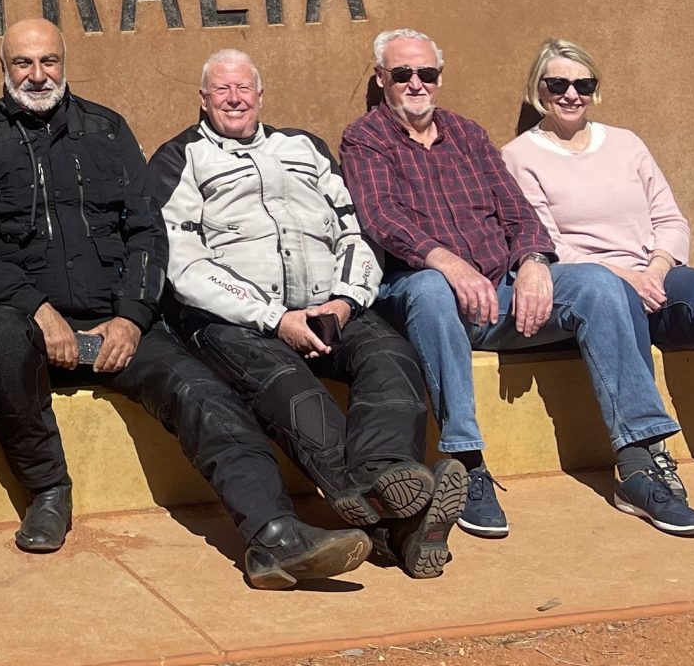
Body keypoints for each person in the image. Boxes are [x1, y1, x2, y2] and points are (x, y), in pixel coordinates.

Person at [0, 18, 370, 590]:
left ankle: (274, 535)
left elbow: (147, 233)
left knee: (203, 394)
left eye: (48, 61)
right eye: (24, 63)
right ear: (4, 68)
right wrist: (37, 309)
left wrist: (132, 316)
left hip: (116, 318)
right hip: (26, 320)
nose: (37, 75)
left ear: (64, 63)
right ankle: (47, 492)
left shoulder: (107, 129)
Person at [342, 28, 694, 543]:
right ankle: (467, 464)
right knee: (427, 287)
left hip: (503, 289)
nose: (417, 83)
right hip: (426, 295)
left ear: (440, 77)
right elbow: (381, 217)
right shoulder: (366, 138)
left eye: (427, 73)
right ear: (382, 79)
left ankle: (638, 463)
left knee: (597, 286)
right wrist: (451, 265)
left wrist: (535, 263)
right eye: (403, 74)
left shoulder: (467, 134)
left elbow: (518, 211)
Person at [147, 49, 464, 578]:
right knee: (290, 387)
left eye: (243, 88)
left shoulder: (305, 148)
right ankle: (401, 524)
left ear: (260, 95)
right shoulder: (180, 157)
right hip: (236, 322)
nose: (234, 98)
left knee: (391, 357)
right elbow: (184, 262)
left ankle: (387, 479)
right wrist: (274, 318)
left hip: (328, 305)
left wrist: (346, 299)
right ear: (203, 99)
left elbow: (353, 230)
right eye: (221, 90)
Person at [501, 38, 694, 506]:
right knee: (615, 301)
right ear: (538, 89)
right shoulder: (520, 156)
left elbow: (670, 219)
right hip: (594, 284)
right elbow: (544, 243)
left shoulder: (626, 144)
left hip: (653, 276)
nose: (571, 94)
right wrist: (624, 276)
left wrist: (657, 270)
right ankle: (652, 450)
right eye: (557, 83)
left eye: (583, 83)